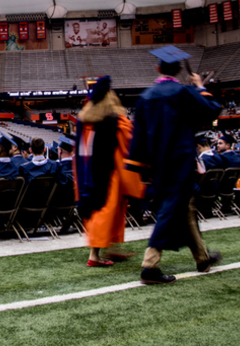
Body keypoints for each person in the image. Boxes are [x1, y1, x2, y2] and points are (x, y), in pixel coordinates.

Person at [126, 46, 223, 285]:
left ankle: (202, 258)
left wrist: (138, 168)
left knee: (184, 207)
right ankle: (150, 265)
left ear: (157, 68)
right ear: (179, 69)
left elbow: (137, 138)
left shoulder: (146, 97)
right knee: (171, 209)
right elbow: (213, 110)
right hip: (180, 161)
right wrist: (199, 87)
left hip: (157, 165)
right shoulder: (183, 92)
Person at [74, 77, 136, 267]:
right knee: (106, 211)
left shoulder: (83, 120)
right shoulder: (115, 121)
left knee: (99, 211)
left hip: (87, 174)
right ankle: (95, 255)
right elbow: (129, 144)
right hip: (109, 173)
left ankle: (109, 249)